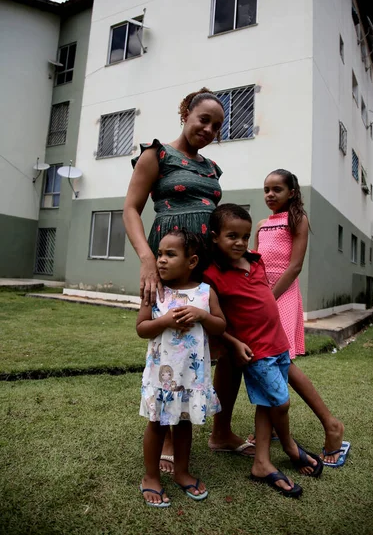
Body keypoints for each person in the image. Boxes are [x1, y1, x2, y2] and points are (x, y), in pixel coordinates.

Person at [123, 87, 254, 474]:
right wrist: (148, 260)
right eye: (204, 120)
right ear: (186, 113)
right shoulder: (156, 154)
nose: (210, 129)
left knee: (226, 345)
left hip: (211, 268)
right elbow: (130, 208)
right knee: (172, 344)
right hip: (171, 265)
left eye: (217, 125)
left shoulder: (212, 168)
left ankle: (221, 431)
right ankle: (165, 434)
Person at [204, 204, 323, 497]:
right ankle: (291, 448)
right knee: (280, 403)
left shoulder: (255, 261)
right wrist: (233, 343)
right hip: (256, 352)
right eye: (232, 236)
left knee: (267, 404)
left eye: (245, 236)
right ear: (215, 237)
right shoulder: (212, 276)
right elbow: (217, 322)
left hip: (278, 344)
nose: (241, 242)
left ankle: (261, 462)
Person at [248, 169, 347, 467]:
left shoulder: (298, 220)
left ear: (292, 192)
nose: (270, 194)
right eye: (266, 189)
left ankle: (331, 423)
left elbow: (294, 267)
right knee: (270, 362)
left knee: (282, 362)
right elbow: (255, 264)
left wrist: (268, 299)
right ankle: (270, 430)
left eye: (277, 189)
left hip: (283, 296)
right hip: (262, 298)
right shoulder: (262, 225)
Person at [137, 229, 226, 507]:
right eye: (159, 254)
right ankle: (151, 476)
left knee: (184, 425)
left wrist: (202, 315)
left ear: (192, 261)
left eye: (170, 254)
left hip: (191, 378)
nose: (161, 260)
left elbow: (220, 325)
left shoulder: (204, 292)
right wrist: (164, 321)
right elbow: (141, 328)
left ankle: (181, 471)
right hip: (161, 378)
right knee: (157, 425)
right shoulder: (155, 291)